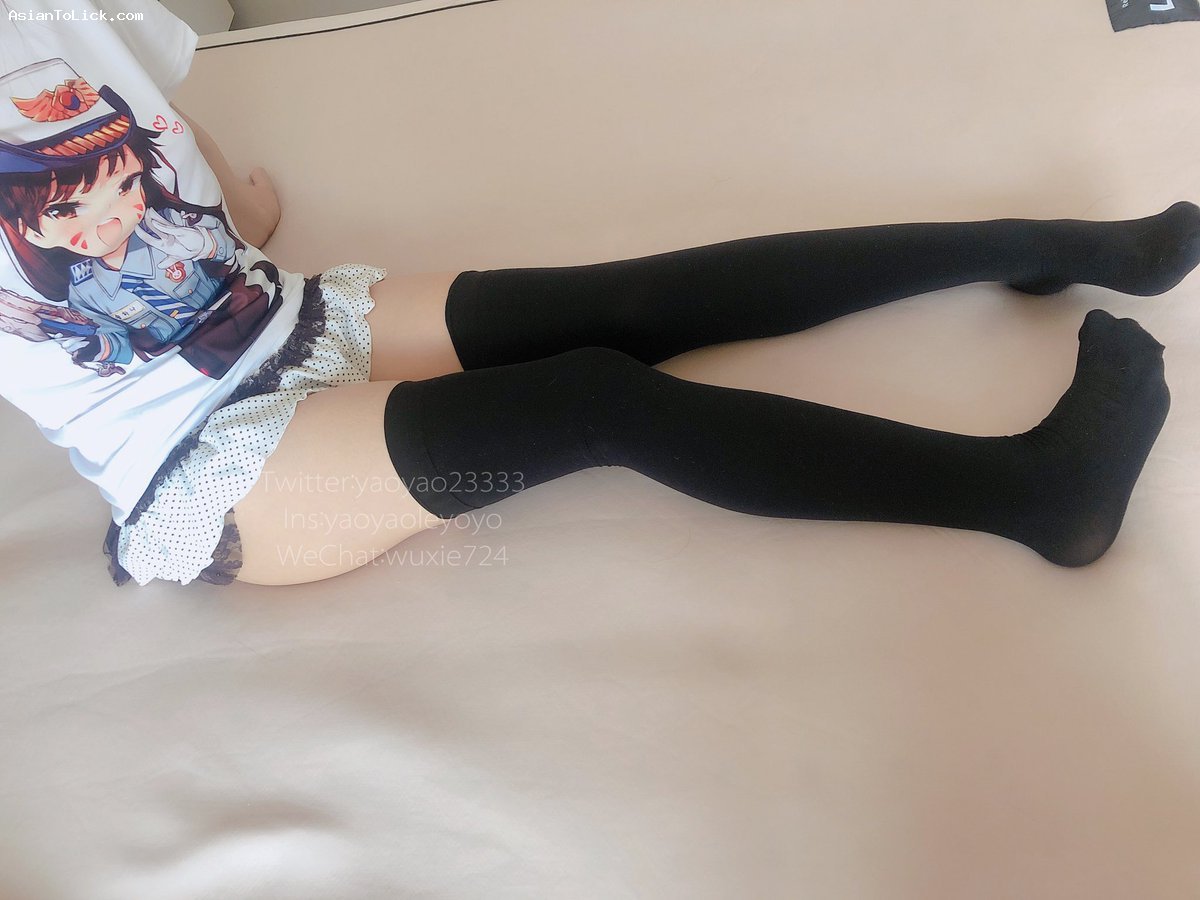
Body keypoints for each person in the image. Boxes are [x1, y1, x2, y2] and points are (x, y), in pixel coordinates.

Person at [1, 2, 1196, 589]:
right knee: (595, 401)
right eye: (74, 213)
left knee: (636, 299)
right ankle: (1038, 497)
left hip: (288, 317)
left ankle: (1043, 245)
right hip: (202, 467)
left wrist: (231, 222)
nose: (106, 216)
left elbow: (153, 121)